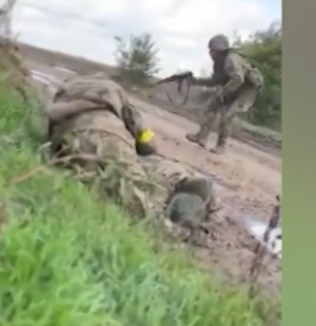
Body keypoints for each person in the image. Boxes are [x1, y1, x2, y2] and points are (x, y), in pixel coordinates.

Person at [46, 74, 160, 217]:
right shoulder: (113, 90)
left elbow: (51, 126)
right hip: (114, 137)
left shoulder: (66, 89)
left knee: (87, 186)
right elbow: (143, 135)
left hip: (73, 138)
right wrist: (148, 145)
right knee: (139, 200)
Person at [184, 34, 264, 155]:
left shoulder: (231, 59)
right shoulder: (219, 63)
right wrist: (196, 81)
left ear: (219, 50)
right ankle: (202, 137)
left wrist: (223, 92)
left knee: (227, 115)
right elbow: (215, 81)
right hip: (234, 87)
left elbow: (238, 78)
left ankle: (221, 146)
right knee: (212, 107)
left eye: (212, 50)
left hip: (246, 90)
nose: (210, 53)